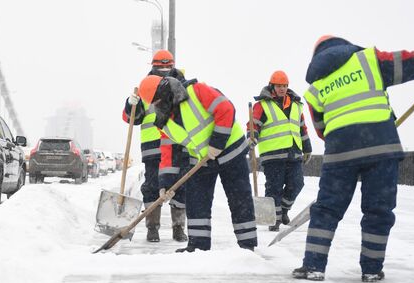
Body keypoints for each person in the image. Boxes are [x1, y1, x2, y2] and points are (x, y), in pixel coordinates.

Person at [293, 35, 414, 282]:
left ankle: (313, 266)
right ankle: (372, 270)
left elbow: (321, 130)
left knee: (327, 210)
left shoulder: (315, 89)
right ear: (345, 46)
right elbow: (412, 62)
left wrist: (348, 135)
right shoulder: (369, 61)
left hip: (340, 153)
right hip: (381, 147)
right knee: (378, 211)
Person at [137, 75, 257, 253]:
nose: (159, 105)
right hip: (203, 160)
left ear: (166, 91)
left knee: (239, 199)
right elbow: (168, 153)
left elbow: (226, 109)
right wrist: (165, 184)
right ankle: (198, 246)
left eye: (160, 100)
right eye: (155, 103)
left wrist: (217, 143)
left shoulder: (196, 91)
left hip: (231, 151)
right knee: (195, 200)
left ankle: (247, 246)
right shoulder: (163, 121)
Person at [122, 49, 188, 242]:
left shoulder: (183, 86)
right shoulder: (145, 87)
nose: (165, 71)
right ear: (153, 67)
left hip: (177, 144)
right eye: (161, 68)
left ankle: (178, 228)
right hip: (153, 146)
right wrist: (130, 104)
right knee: (152, 187)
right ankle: (152, 228)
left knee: (179, 186)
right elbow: (131, 118)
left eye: (168, 67)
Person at [250, 70, 312, 232]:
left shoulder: (296, 106)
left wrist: (307, 148)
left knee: (297, 184)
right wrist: (252, 137)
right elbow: (253, 124)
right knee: (274, 188)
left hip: (294, 153)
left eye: (284, 86)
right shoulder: (261, 106)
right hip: (273, 155)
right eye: (279, 86)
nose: (282, 89)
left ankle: (283, 211)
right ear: (272, 86)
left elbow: (302, 129)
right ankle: (274, 220)